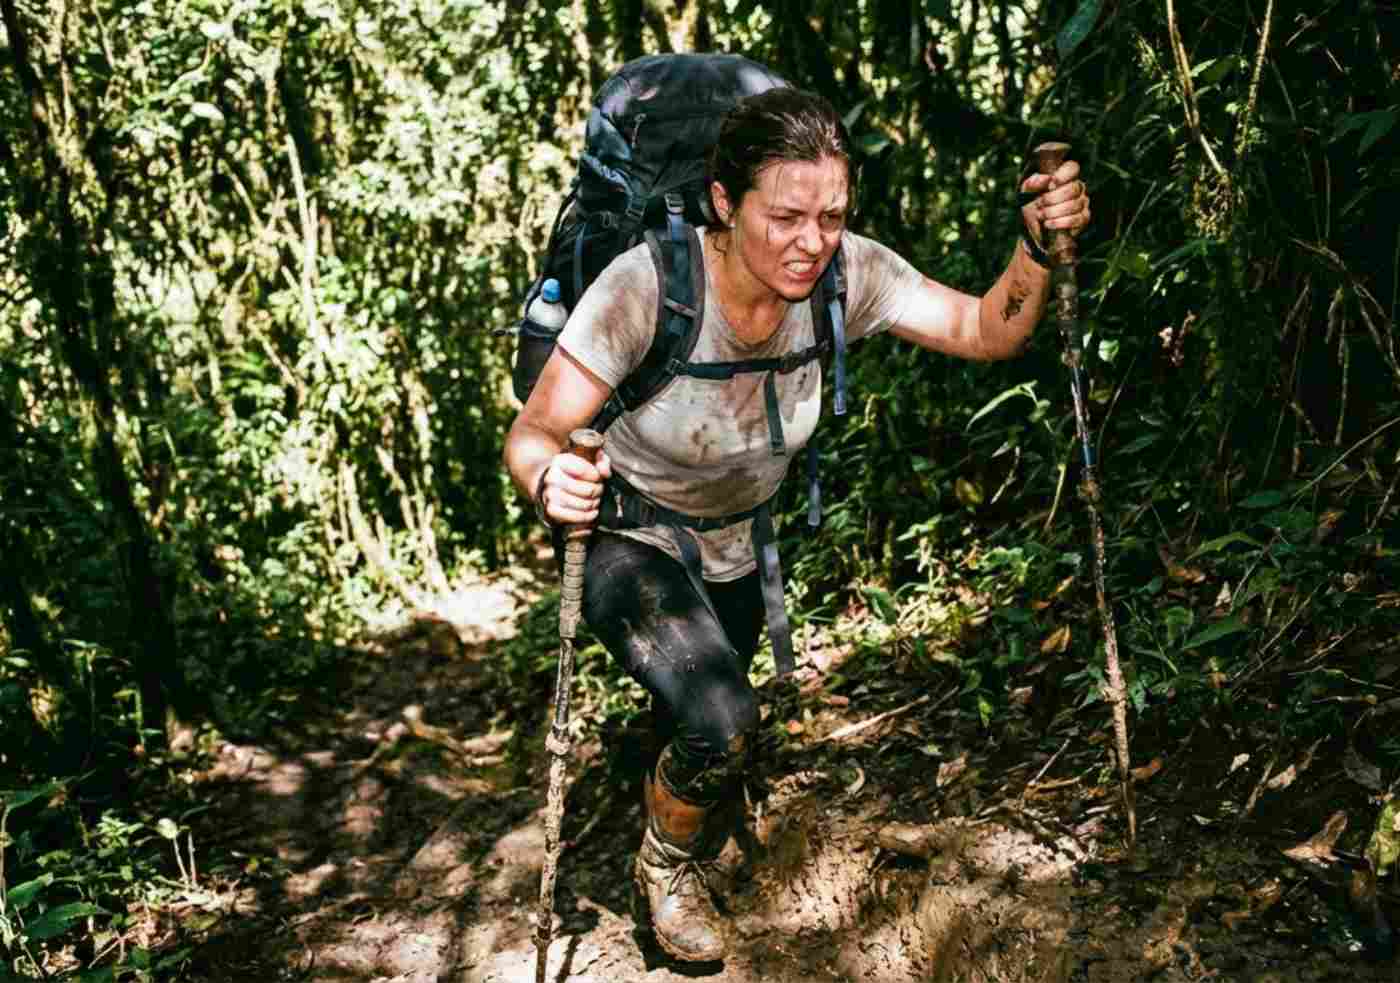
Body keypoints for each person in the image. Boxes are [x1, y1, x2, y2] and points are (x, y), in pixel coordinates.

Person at [503, 86, 1090, 963]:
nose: (811, 241)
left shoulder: (845, 276)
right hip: (626, 524)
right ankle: (664, 869)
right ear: (723, 204)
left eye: (831, 215)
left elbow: (983, 327)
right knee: (722, 714)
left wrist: (1037, 248)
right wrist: (554, 481)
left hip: (736, 533)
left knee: (706, 708)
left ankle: (673, 783)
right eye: (784, 216)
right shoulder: (648, 287)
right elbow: (533, 434)